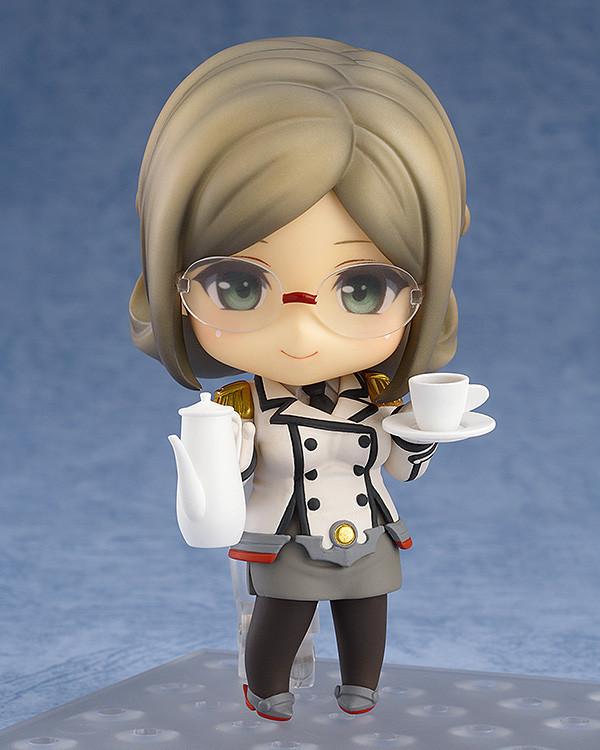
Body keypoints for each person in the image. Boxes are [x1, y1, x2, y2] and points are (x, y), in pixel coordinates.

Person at [129, 36, 470, 721]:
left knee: (367, 609)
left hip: (367, 526)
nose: (303, 332)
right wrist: (213, 460)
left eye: (363, 290)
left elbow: (402, 468)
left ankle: (362, 685)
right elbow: (227, 478)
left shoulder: (376, 398)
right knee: (282, 612)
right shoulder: (241, 403)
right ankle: (268, 687)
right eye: (240, 285)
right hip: (285, 531)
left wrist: (423, 434)